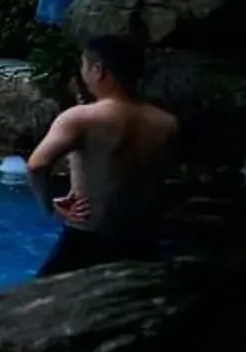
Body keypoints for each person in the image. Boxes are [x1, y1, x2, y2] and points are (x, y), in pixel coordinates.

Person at [27, 33, 178, 275]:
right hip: (143, 238)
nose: (83, 72)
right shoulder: (166, 123)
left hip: (89, 234)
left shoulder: (82, 117)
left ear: (98, 70)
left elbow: (37, 165)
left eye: (84, 65)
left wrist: (50, 207)